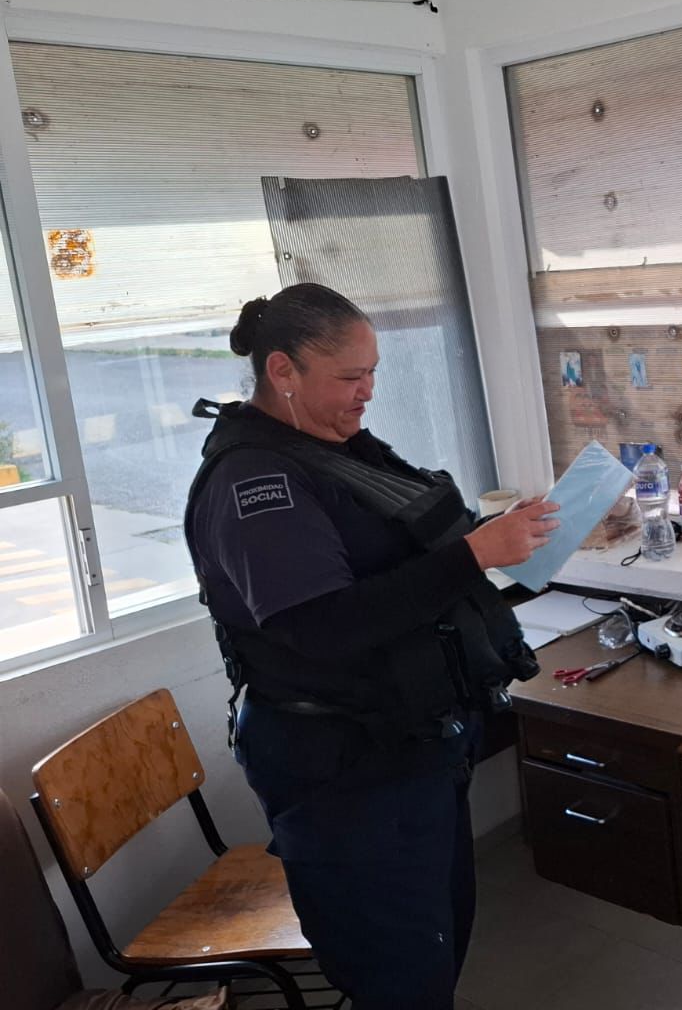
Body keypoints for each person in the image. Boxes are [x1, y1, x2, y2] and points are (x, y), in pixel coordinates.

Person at [183, 284, 559, 1010]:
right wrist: (474, 556)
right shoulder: (255, 480)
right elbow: (319, 629)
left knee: (434, 947)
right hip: (344, 775)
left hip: (409, 748)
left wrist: (490, 536)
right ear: (283, 371)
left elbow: (406, 545)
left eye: (373, 372)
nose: (368, 392)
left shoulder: (337, 447)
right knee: (398, 976)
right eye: (350, 376)